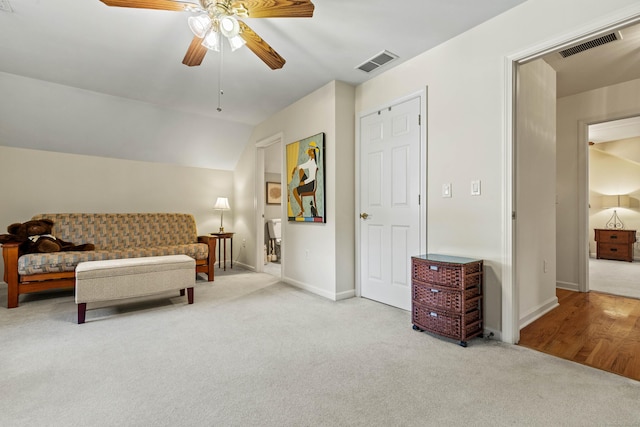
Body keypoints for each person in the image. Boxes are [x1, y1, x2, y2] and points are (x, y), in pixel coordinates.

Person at [291, 141, 319, 217]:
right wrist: (294, 168)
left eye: (310, 149)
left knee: (294, 191)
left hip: (311, 185)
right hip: (308, 183)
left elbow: (312, 177)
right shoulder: (310, 161)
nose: (308, 151)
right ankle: (300, 187)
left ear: (313, 152)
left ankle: (302, 209)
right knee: (301, 170)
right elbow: (302, 166)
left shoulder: (313, 163)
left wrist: (304, 182)